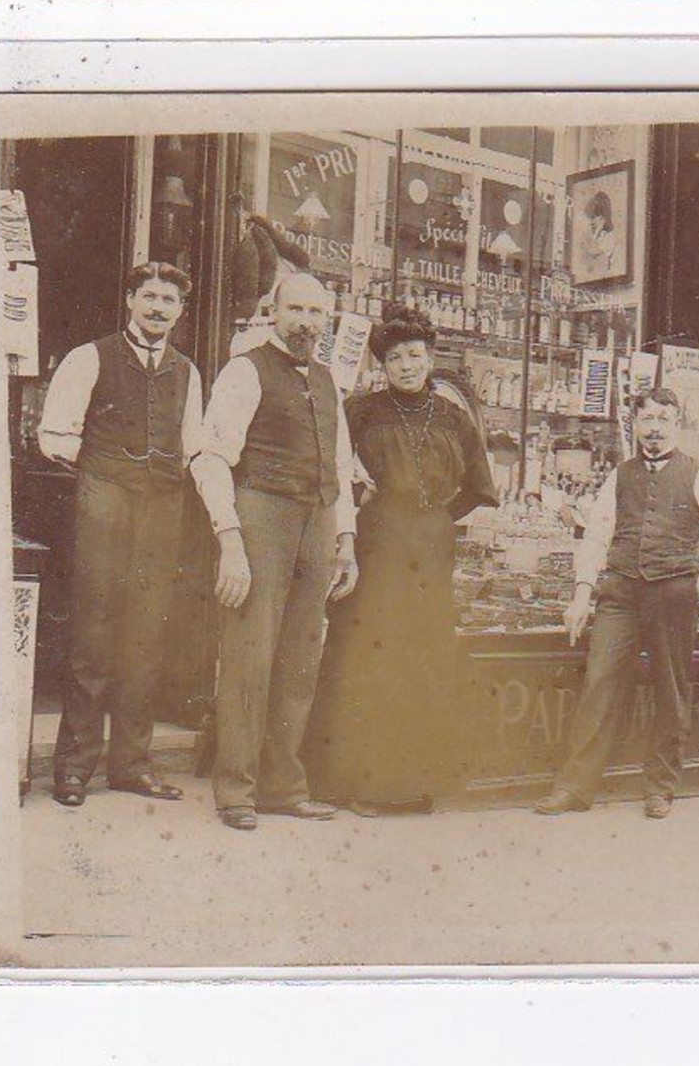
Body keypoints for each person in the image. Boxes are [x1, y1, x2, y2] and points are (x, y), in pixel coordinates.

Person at [532, 388, 699, 820]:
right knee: (599, 681)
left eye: (663, 419)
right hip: (620, 592)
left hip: (674, 596)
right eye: (646, 420)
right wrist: (582, 593)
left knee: (669, 691)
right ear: (634, 425)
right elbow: (597, 535)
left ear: (678, 424)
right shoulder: (620, 475)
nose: (654, 428)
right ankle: (573, 787)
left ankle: (660, 787)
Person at [302, 305, 497, 815]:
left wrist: (433, 517)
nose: (406, 365)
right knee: (368, 656)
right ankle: (360, 785)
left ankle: (415, 784)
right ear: (382, 366)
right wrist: (373, 507)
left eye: (414, 355)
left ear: (430, 359)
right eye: (395, 358)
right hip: (377, 544)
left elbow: (478, 487)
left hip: (431, 550)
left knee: (422, 658)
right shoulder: (361, 411)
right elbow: (333, 473)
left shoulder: (454, 417)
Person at [191, 272, 359, 831]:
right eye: (297, 310)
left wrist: (346, 541)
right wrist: (230, 540)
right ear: (274, 311)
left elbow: (339, 466)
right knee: (249, 658)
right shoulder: (245, 370)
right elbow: (210, 456)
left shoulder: (330, 380)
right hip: (260, 515)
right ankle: (236, 791)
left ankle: (284, 787)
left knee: (300, 661)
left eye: (316, 313)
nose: (306, 322)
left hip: (318, 522)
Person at [38, 261, 203, 807]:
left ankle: (132, 765)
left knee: (146, 636)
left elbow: (194, 446)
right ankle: (74, 769)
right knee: (94, 634)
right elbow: (56, 436)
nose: (158, 309)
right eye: (150, 297)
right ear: (130, 299)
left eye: (169, 301)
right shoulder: (92, 357)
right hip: (105, 503)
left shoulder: (187, 371)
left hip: (162, 508)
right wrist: (107, 472)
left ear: (180, 311)